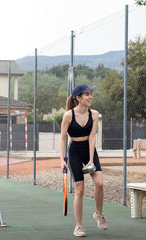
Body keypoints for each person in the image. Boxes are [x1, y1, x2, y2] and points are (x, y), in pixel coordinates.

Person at [59, 84, 108, 237]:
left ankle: (98, 214)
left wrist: (91, 159)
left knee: (99, 183)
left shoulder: (94, 114)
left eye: (90, 94)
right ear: (78, 98)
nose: (90, 97)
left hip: (89, 150)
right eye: (86, 94)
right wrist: (62, 159)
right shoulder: (68, 115)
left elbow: (93, 137)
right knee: (80, 189)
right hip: (74, 151)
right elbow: (62, 139)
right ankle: (78, 226)